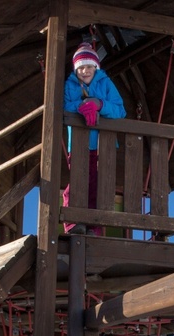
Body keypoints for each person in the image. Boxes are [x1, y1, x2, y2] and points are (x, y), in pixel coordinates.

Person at [62, 41, 126, 235]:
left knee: (98, 186)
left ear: (96, 67)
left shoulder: (105, 83)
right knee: (77, 183)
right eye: (81, 67)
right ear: (76, 69)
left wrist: (99, 104)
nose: (85, 71)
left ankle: (94, 228)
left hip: (102, 145)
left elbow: (120, 110)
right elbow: (64, 108)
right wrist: (81, 106)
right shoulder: (70, 84)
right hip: (80, 145)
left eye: (89, 66)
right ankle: (73, 224)